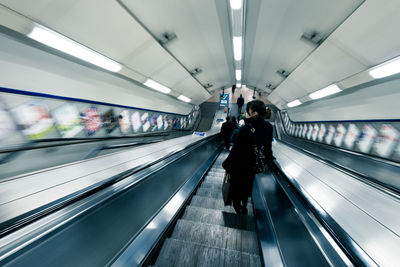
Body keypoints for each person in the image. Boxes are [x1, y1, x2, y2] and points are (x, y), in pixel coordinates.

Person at [222, 100, 274, 215]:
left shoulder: (245, 125)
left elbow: (234, 140)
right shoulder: (268, 127)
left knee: (235, 185)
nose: (246, 113)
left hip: (237, 162)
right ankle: (244, 206)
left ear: (254, 113)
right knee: (247, 184)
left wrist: (240, 127)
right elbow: (267, 148)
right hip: (251, 163)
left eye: (248, 111)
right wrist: (270, 160)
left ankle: (237, 205)